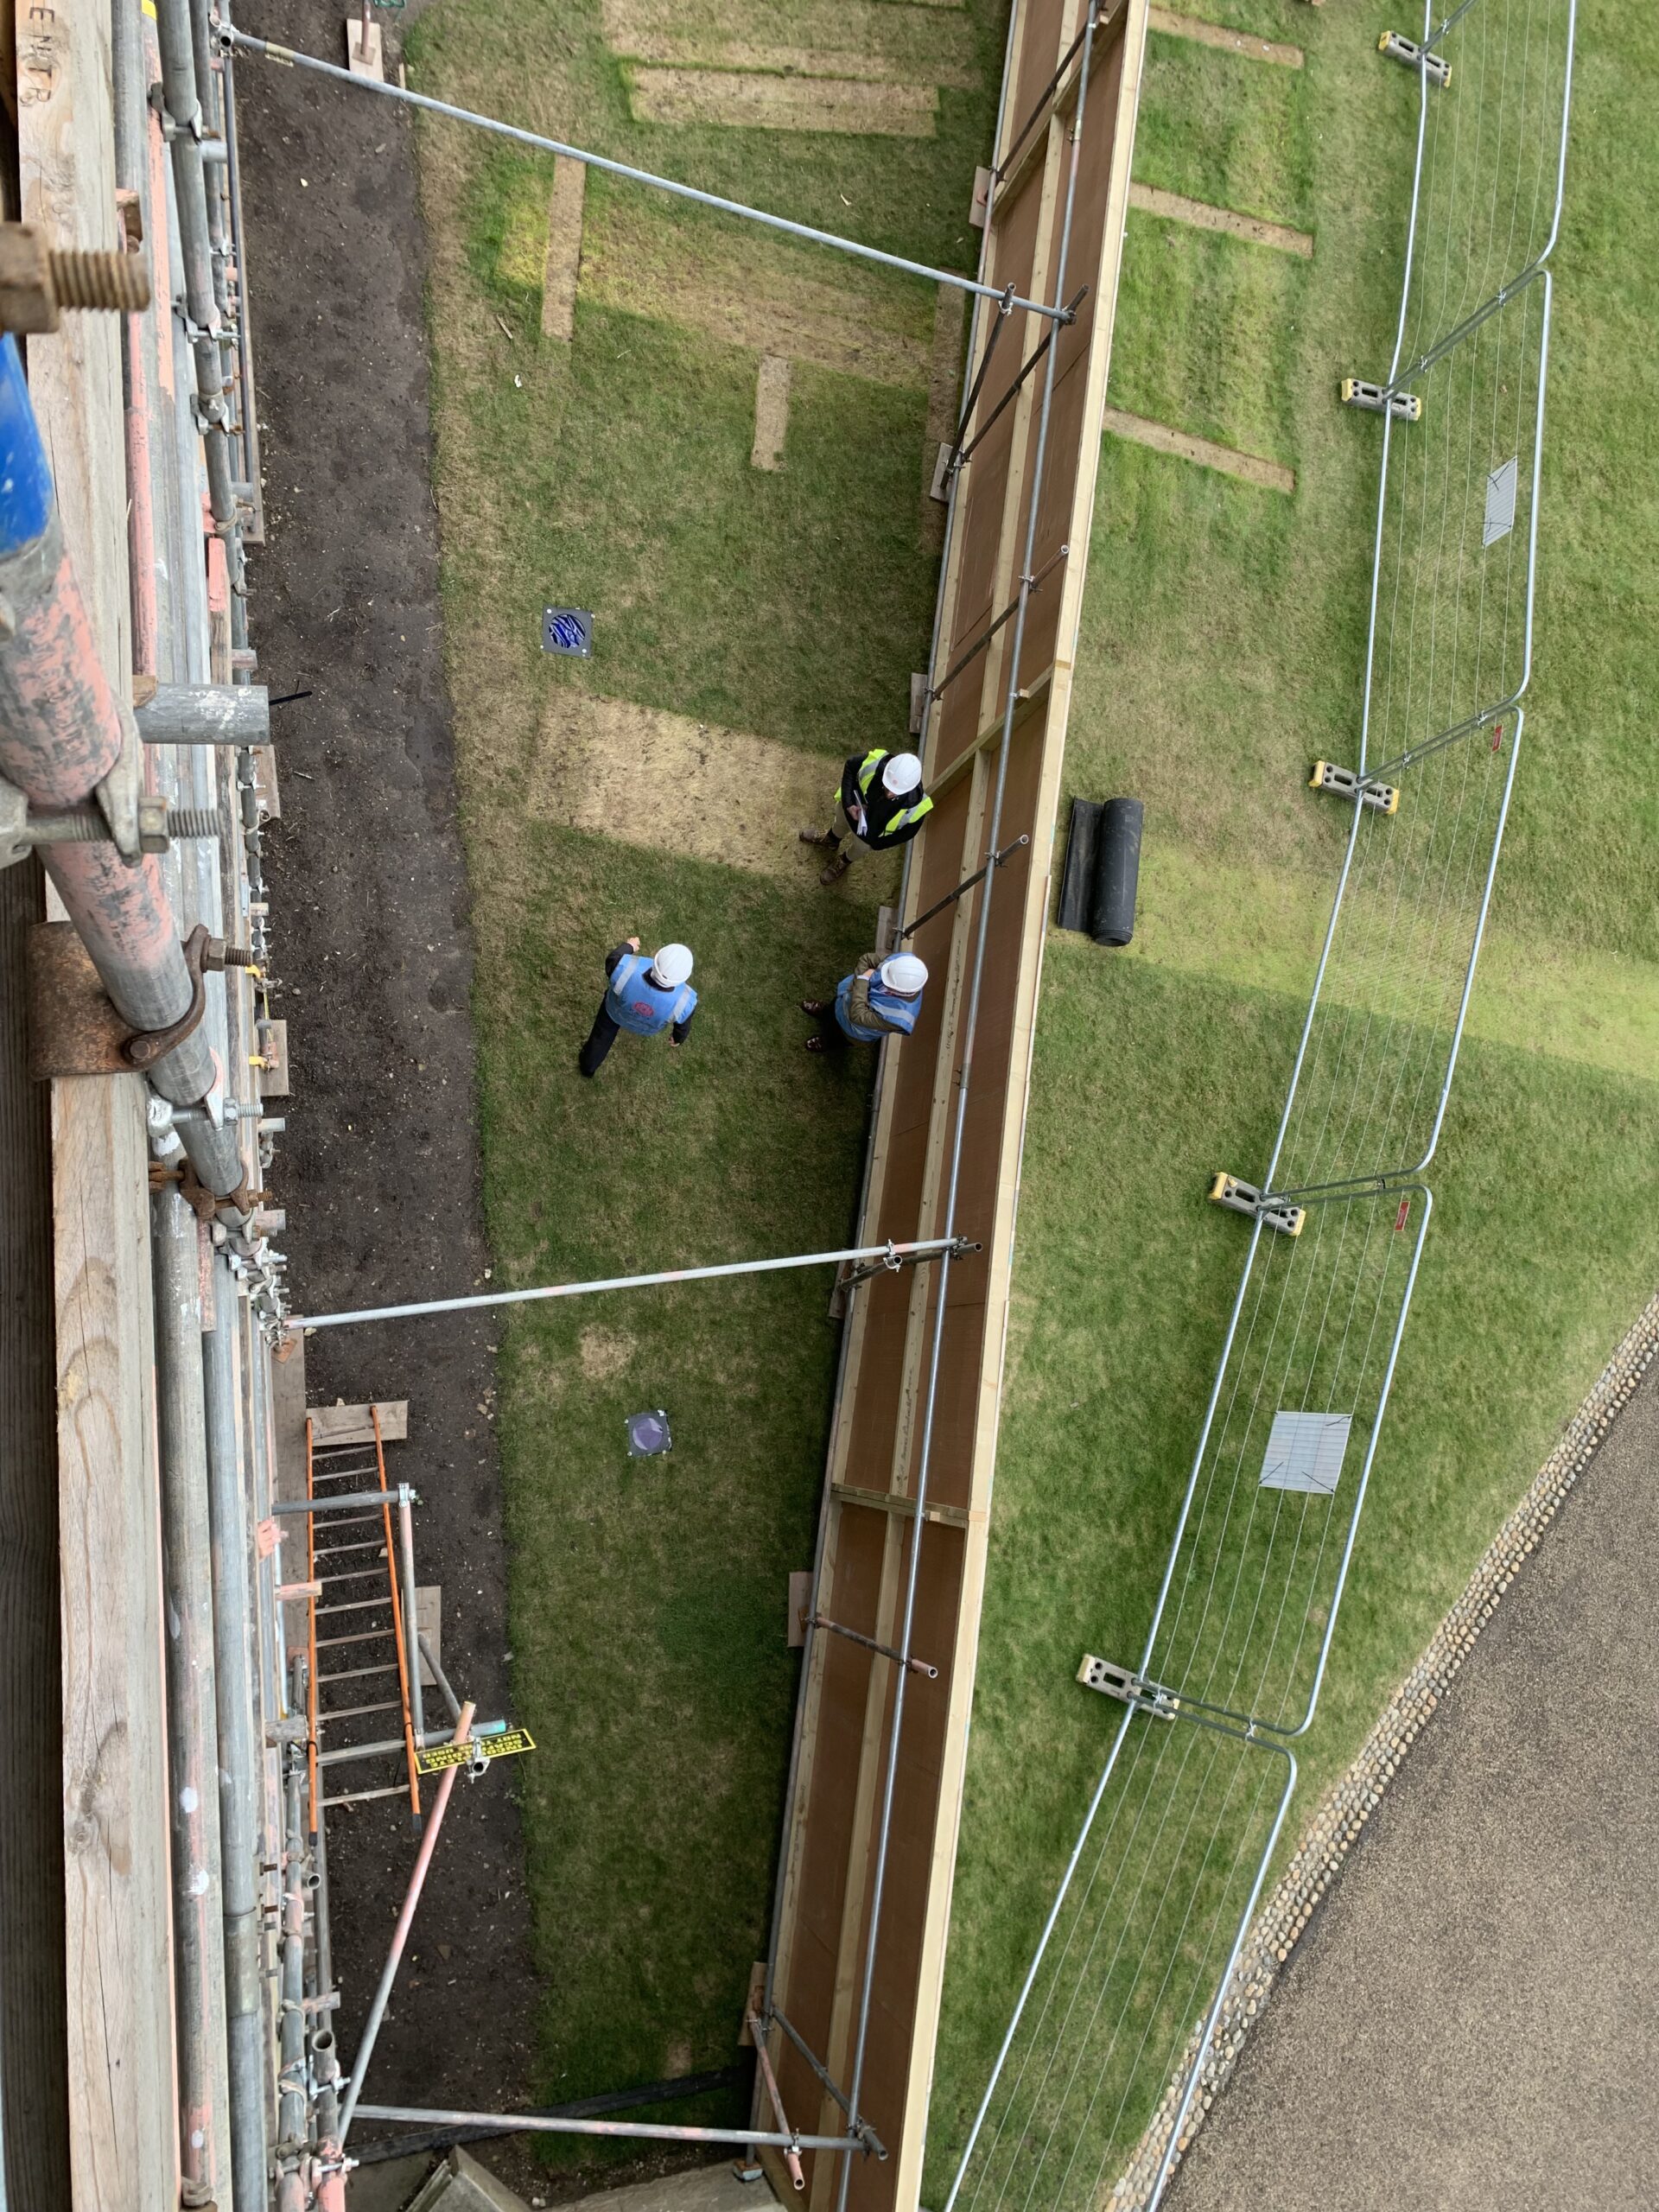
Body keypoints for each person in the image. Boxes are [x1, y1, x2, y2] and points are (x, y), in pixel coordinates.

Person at [800, 747, 933, 886]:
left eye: (894, 792)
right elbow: (850, 767)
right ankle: (830, 840)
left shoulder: (917, 808)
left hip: (867, 838)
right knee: (839, 824)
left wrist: (874, 844)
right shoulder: (876, 761)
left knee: (858, 850)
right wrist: (848, 803)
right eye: (887, 787)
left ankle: (844, 861)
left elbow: (905, 835)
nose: (888, 794)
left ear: (909, 789)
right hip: (848, 811)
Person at [579, 937, 697, 1077]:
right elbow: (683, 1026)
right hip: (646, 1027)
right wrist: (678, 1038)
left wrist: (629, 946)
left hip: (614, 1012)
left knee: (601, 1037)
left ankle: (588, 1067)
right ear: (683, 978)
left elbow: (612, 960)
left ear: (656, 958)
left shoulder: (625, 967)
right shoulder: (685, 1002)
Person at [801, 951, 928, 1053]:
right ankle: (824, 1011)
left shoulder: (899, 1018)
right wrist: (858, 989)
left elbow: (857, 1015)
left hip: (852, 1031)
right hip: (844, 1000)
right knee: (834, 1008)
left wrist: (862, 980)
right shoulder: (903, 962)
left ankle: (826, 1042)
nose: (883, 978)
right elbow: (866, 959)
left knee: (838, 1038)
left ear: (903, 991)